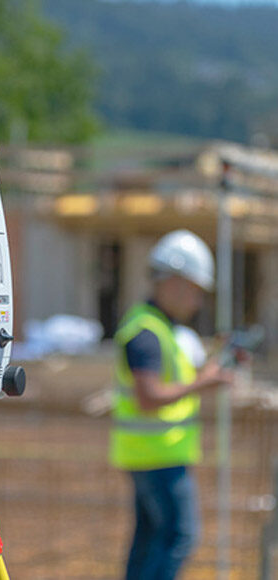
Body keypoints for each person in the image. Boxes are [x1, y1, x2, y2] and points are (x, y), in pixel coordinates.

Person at [109, 229, 233, 580]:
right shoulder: (147, 333)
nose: (197, 302)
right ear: (175, 282)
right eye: (196, 290)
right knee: (180, 535)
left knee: (149, 539)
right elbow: (149, 397)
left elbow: (169, 379)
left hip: (151, 454)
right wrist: (205, 382)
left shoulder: (156, 328)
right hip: (158, 456)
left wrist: (209, 364)